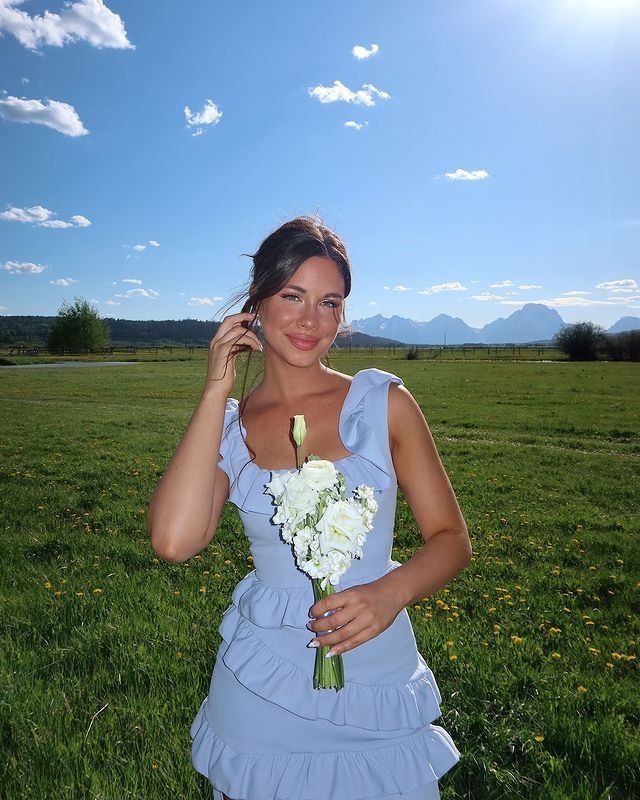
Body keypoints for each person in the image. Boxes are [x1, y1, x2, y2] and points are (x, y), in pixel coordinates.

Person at [147, 216, 472, 800]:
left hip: (376, 676)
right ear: (257, 305)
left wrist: (389, 592)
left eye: (330, 302)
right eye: (292, 296)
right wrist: (217, 389)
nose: (310, 320)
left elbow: (451, 537)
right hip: (263, 693)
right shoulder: (231, 427)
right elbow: (174, 541)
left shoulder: (383, 403)